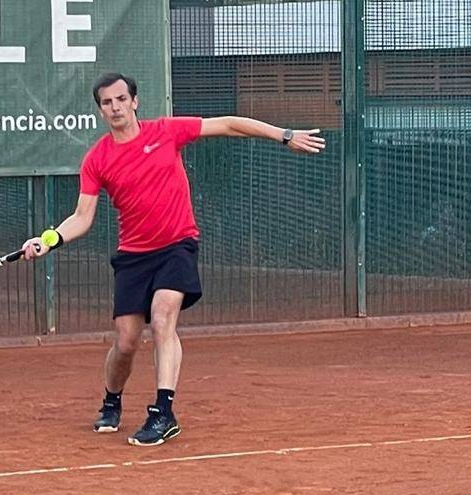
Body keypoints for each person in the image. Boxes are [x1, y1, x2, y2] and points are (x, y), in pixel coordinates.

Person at [23, 73, 325, 446]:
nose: (116, 107)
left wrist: (284, 135)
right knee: (127, 341)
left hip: (177, 245)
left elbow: (228, 124)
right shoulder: (97, 158)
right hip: (134, 256)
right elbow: (82, 217)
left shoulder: (166, 132)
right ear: (100, 110)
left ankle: (163, 413)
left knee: (164, 317)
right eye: (107, 102)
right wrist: (49, 239)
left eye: (121, 99)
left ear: (135, 102)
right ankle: (112, 400)